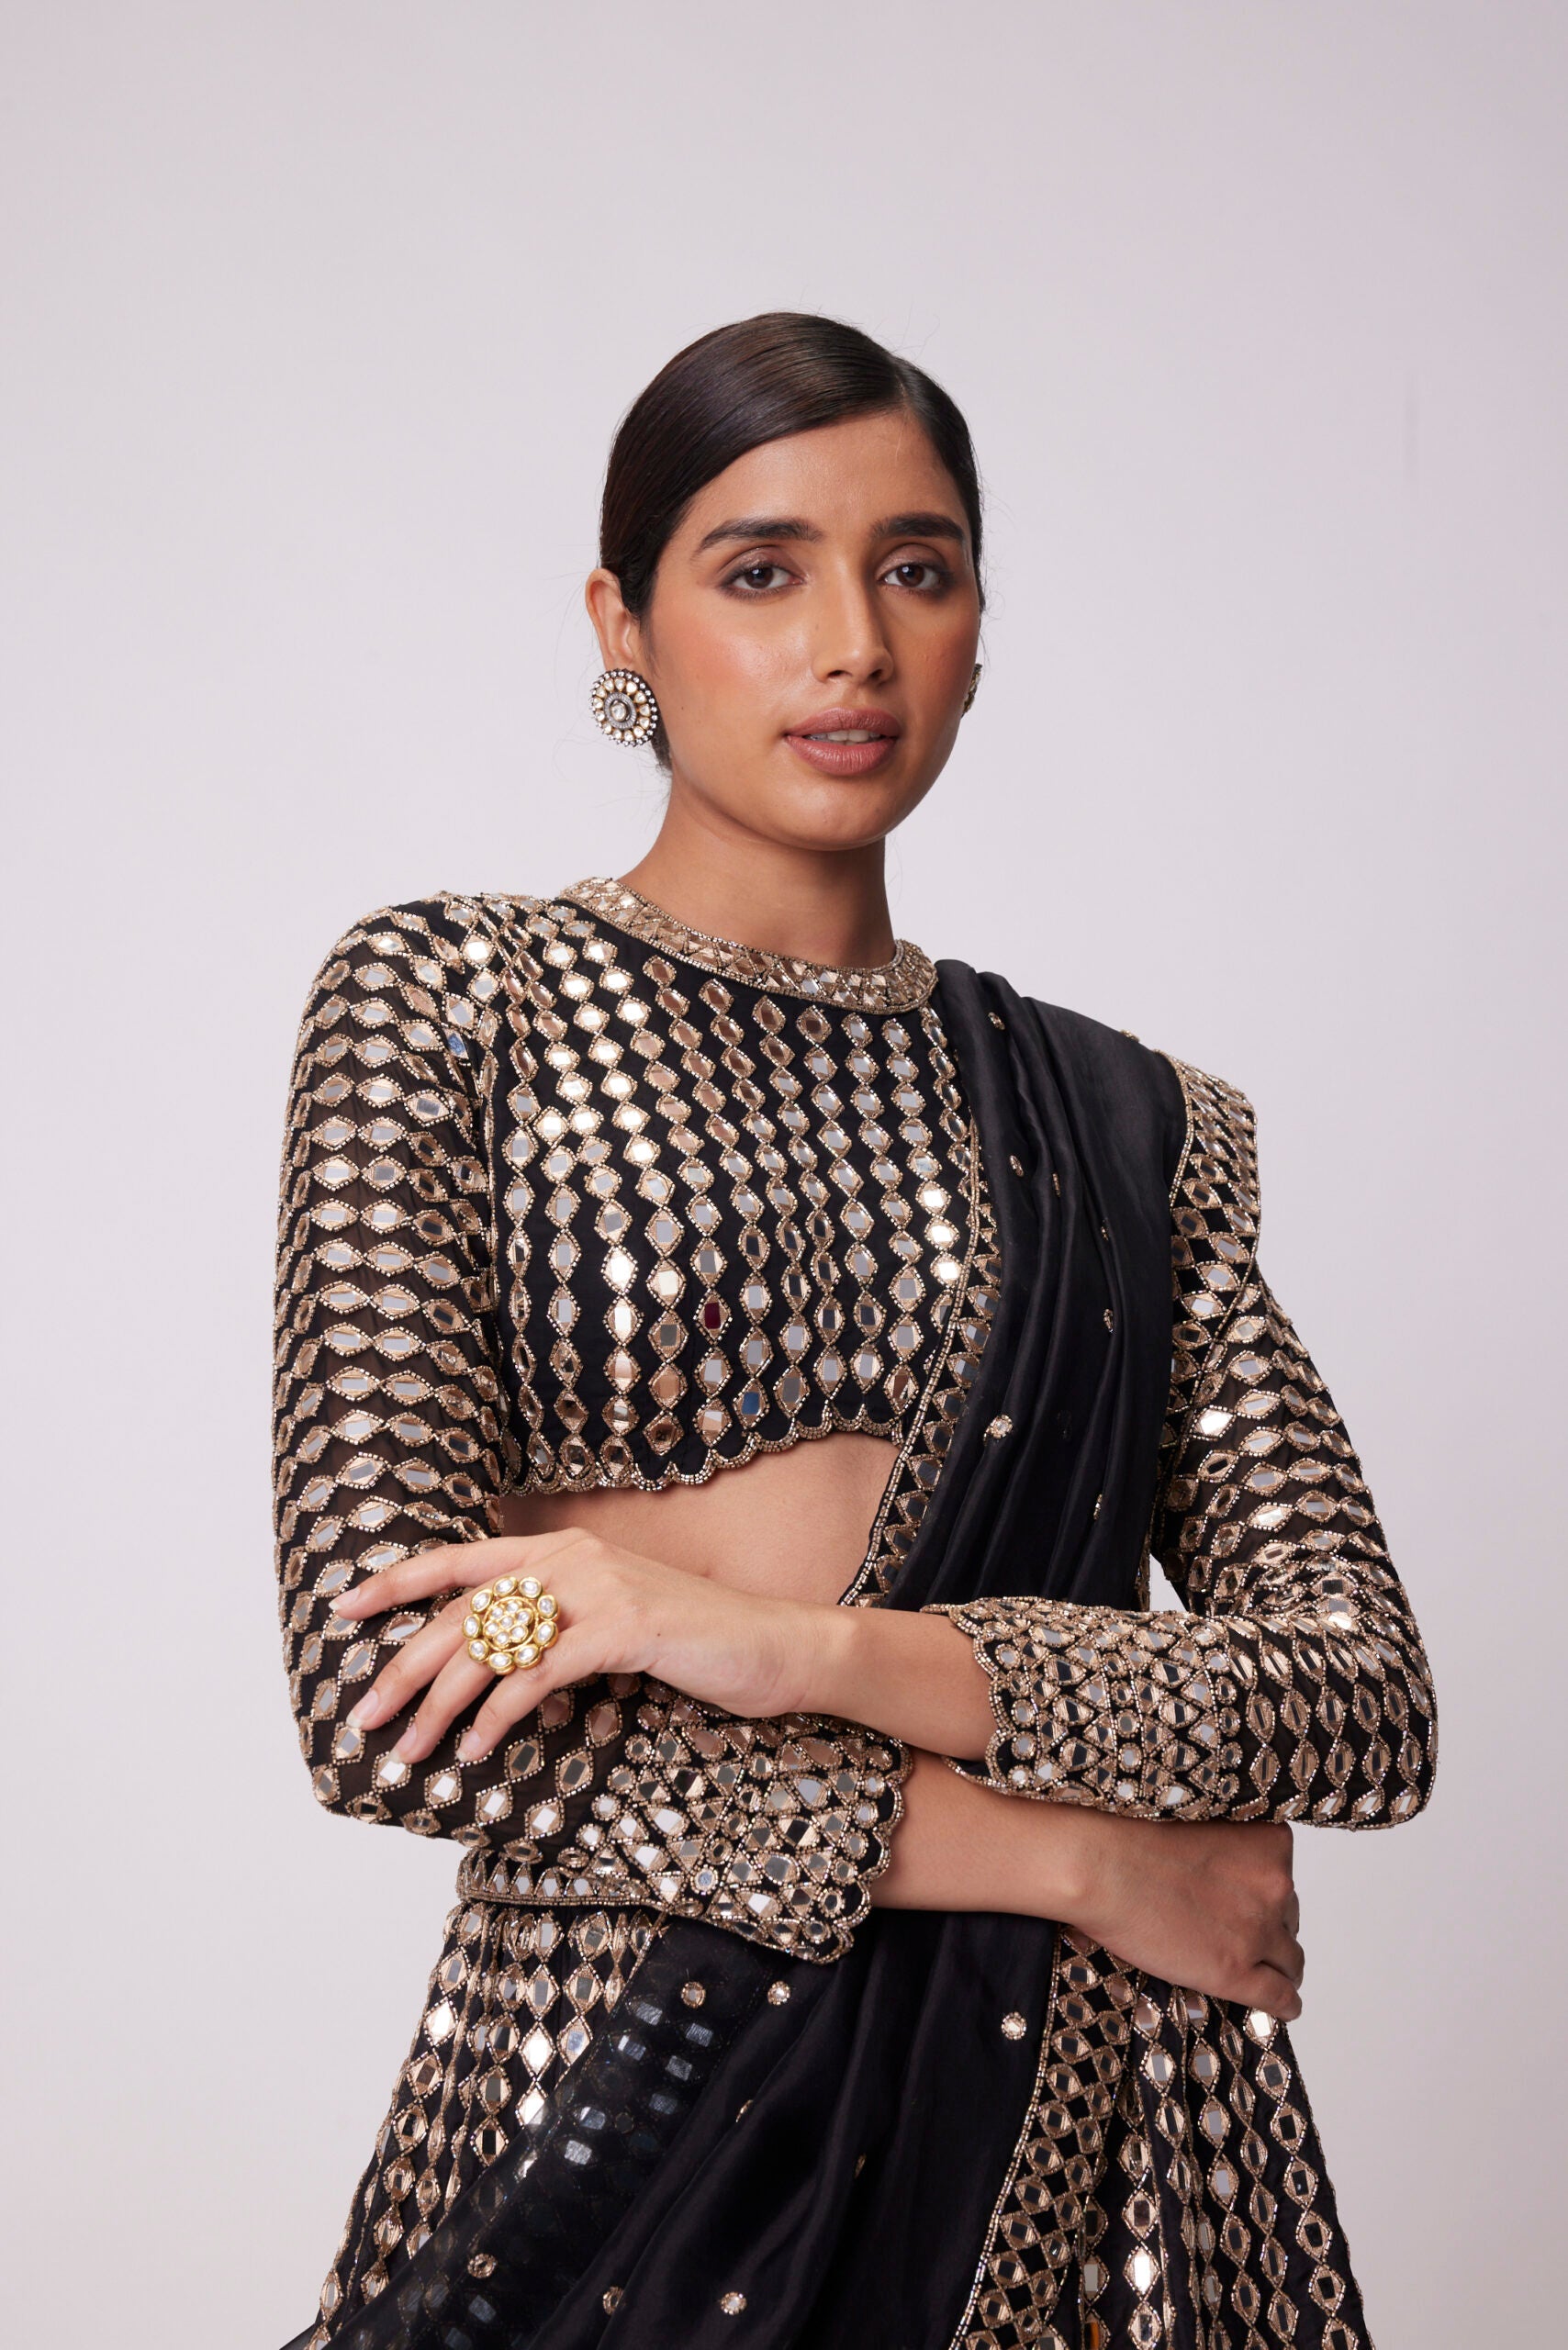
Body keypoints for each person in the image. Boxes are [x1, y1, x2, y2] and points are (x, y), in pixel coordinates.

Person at [274, 313, 1436, 2350]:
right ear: (622, 624)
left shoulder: (1124, 1124)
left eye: (916, 568)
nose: (853, 646)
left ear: (979, 624)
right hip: (622, 2082)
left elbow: (1357, 1698)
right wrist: (1066, 1857)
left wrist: (762, 1635)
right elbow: (388, 1686)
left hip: (1094, 2128)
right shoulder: (458, 1006)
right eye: (759, 571)